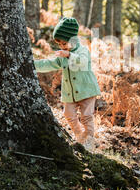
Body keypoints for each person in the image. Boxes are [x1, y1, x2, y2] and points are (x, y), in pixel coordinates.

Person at [34, 17, 101, 152]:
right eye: (59, 44)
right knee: (68, 113)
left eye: (64, 43)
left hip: (86, 90)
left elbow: (82, 62)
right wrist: (31, 63)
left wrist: (69, 55)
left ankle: (89, 141)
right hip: (70, 93)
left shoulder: (82, 51)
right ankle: (79, 136)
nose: (62, 47)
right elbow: (49, 63)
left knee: (86, 116)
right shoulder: (62, 56)